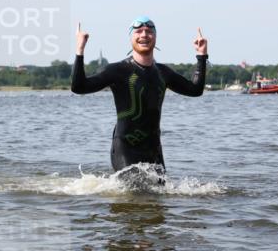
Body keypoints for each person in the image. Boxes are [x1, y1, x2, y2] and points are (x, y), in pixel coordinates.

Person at [71, 17, 208, 177]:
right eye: (138, 31)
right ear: (131, 37)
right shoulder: (117, 70)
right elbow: (79, 87)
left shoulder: (163, 73)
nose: (144, 35)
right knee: (134, 188)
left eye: (149, 31)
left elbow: (195, 90)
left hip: (154, 150)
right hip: (125, 148)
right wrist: (80, 49)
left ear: (155, 37)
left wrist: (201, 55)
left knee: (160, 192)